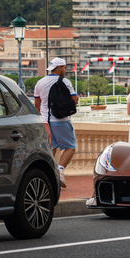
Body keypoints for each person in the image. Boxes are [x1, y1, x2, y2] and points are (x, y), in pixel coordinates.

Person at [34, 58, 78, 188]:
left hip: (45, 121)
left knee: (51, 148)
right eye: (64, 68)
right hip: (61, 120)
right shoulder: (65, 81)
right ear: (59, 68)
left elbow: (37, 104)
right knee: (70, 146)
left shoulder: (40, 82)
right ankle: (60, 170)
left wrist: (40, 119)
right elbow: (74, 99)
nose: (65, 70)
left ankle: (49, 175)